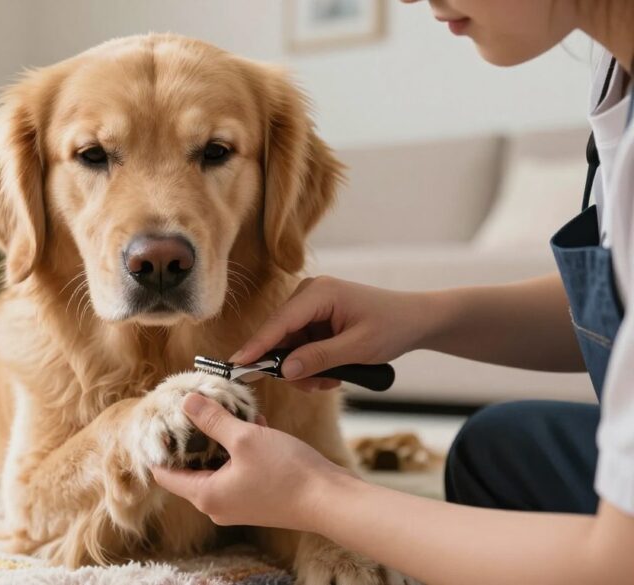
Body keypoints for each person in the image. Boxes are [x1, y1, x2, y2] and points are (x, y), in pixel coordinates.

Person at [151, 1, 634, 583]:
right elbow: (618, 305)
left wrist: (318, 494)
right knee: (496, 449)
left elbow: (616, 563)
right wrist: (422, 318)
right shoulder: (617, 74)